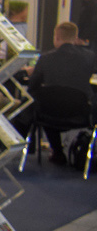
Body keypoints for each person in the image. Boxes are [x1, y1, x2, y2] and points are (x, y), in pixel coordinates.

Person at [27, 21, 97, 164]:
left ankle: (57, 151)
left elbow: (32, 87)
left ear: (57, 37)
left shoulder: (45, 58)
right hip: (80, 112)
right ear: (75, 38)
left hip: (49, 113)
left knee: (47, 104)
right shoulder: (90, 57)